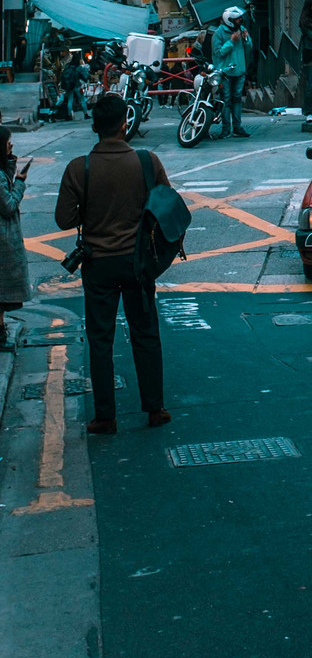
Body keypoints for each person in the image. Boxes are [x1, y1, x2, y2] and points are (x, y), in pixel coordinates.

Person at [55, 93, 170, 435]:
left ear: (94, 127)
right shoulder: (147, 162)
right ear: (125, 124)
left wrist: (88, 210)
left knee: (101, 339)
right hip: (137, 262)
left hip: (99, 264)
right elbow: (165, 206)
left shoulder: (79, 168)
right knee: (145, 332)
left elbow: (63, 219)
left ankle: (105, 415)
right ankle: (155, 408)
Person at [0, 128, 31, 346]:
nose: (12, 145)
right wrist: (20, 183)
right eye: (8, 142)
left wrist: (10, 164)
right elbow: (8, 206)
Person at [211, 6, 252, 139]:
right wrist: (231, 42)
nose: (240, 20)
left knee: (237, 99)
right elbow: (218, 53)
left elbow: (249, 48)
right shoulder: (219, 33)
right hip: (225, 72)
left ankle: (237, 127)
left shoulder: (240, 30)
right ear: (230, 20)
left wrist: (246, 39)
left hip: (239, 70)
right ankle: (226, 128)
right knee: (226, 100)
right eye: (237, 19)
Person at [57, 47, 91, 120]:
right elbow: (84, 76)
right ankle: (85, 114)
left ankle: (69, 115)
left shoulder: (68, 66)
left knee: (70, 100)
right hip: (77, 86)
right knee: (82, 100)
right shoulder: (78, 67)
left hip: (69, 86)